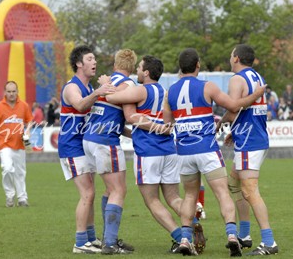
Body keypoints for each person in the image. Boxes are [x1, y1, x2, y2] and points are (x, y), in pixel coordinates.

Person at [164, 48, 265, 256]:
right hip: (207, 149)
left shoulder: (170, 91)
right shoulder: (207, 86)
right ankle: (231, 235)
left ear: (180, 67)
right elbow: (234, 105)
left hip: (184, 151)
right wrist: (255, 95)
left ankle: (184, 239)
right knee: (222, 193)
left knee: (190, 194)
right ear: (198, 65)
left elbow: (167, 123)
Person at [106, 55, 195, 253]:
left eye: (139, 67)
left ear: (146, 72)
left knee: (152, 200)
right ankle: (193, 225)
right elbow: (167, 121)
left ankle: (181, 238)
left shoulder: (140, 90)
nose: (137, 70)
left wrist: (106, 83)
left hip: (148, 153)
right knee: (173, 198)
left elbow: (113, 99)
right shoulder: (164, 91)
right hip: (169, 151)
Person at [219, 44, 279, 255]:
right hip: (254, 138)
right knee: (234, 184)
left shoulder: (237, 79)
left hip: (249, 142)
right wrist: (233, 129)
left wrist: (223, 123)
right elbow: (245, 110)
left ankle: (269, 241)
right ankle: (244, 235)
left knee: (250, 191)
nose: (229, 57)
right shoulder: (257, 77)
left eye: (230, 54)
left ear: (236, 58)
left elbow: (233, 106)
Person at [58, 45, 115, 254]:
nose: (95, 62)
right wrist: (100, 92)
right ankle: (80, 242)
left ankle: (90, 239)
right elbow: (80, 106)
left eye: (95, 59)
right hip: (72, 147)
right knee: (87, 193)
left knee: (90, 193)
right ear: (79, 63)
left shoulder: (90, 88)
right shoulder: (71, 87)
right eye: (90, 59)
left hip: (84, 147)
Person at [82, 49, 137, 255]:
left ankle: (109, 238)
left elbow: (113, 117)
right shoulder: (128, 84)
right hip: (105, 141)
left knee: (111, 189)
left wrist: (134, 136)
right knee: (118, 191)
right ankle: (110, 242)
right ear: (131, 67)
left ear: (115, 63)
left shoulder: (106, 82)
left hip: (91, 138)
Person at [0, 81, 34, 208]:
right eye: (9, 91)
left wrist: (28, 130)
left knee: (20, 173)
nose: (11, 94)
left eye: (13, 91)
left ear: (17, 91)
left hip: (20, 144)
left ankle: (22, 199)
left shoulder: (24, 106)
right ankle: (9, 195)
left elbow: (30, 120)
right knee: (7, 168)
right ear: (4, 92)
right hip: (4, 144)